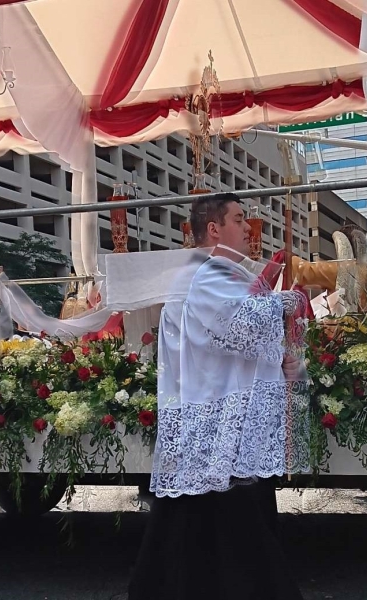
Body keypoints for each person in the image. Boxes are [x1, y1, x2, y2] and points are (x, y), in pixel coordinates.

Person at [129, 193, 309, 600]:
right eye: (239, 219)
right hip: (215, 428)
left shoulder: (221, 275)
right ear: (214, 229)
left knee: (213, 534)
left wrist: (283, 359)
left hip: (226, 427)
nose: (248, 228)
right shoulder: (203, 274)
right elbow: (238, 324)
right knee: (227, 534)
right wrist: (289, 298)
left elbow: (239, 340)